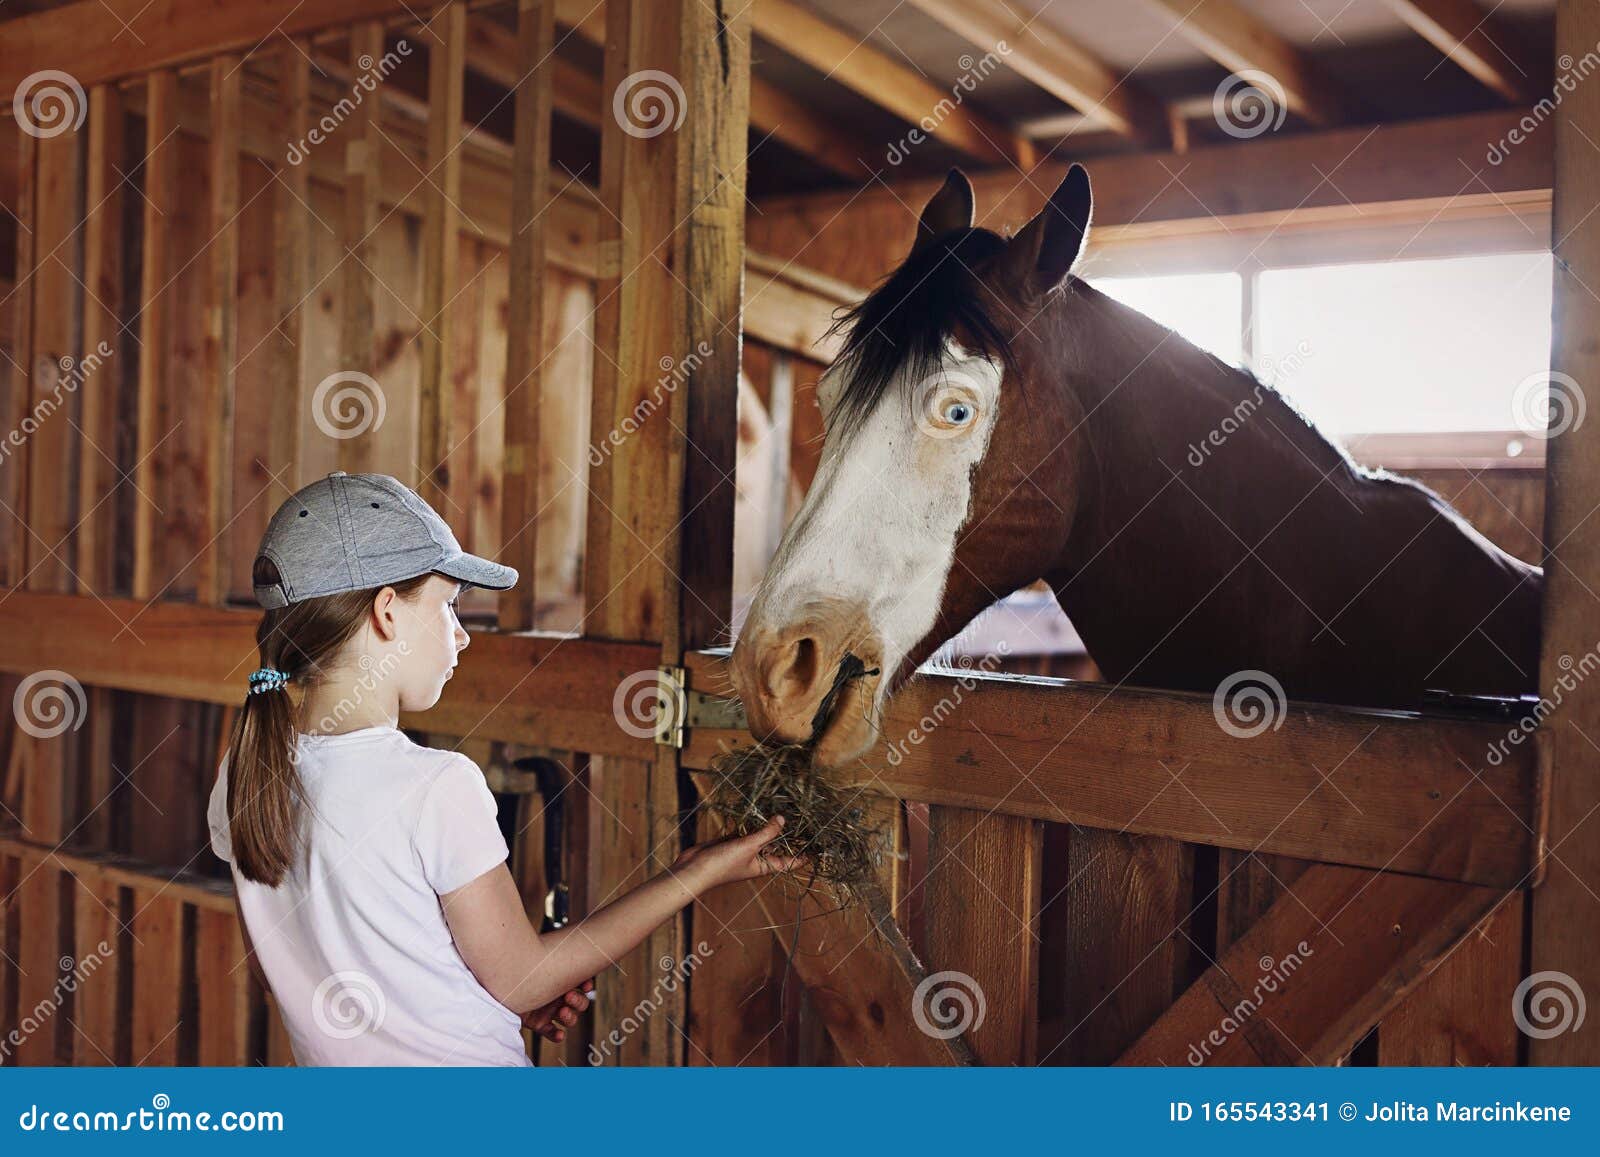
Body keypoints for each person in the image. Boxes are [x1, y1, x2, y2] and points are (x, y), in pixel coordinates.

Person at [208, 470, 800, 1066]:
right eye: (449, 604)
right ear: (387, 612)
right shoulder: (436, 785)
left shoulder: (242, 773)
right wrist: (695, 872)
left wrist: (477, 992)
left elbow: (281, 971)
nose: (462, 636)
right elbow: (523, 979)